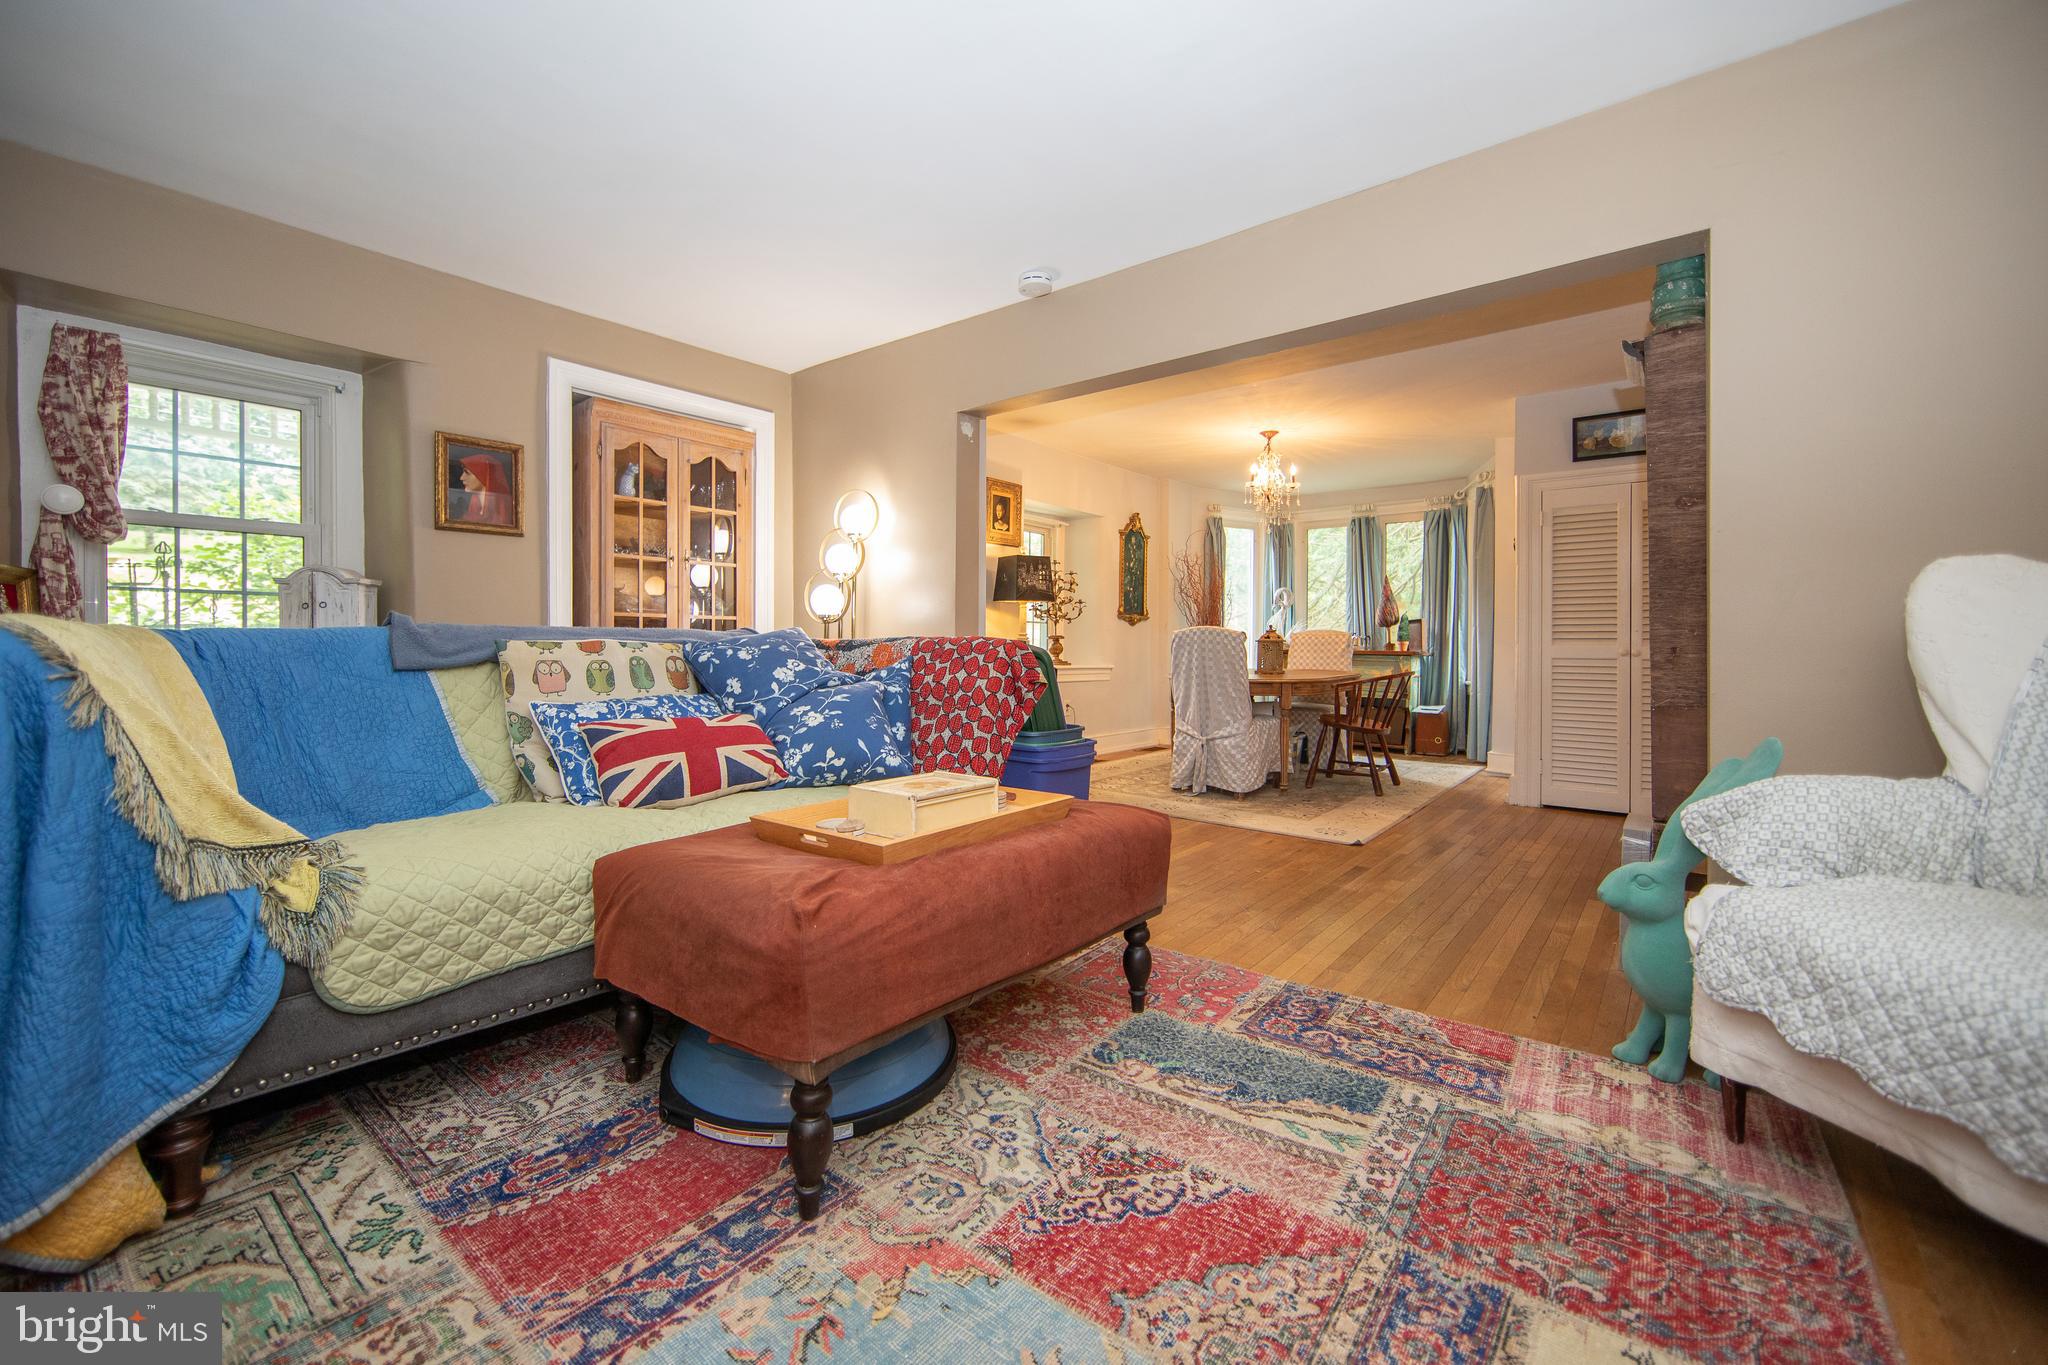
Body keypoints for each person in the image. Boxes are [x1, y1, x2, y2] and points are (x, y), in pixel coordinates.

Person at [453, 454, 515, 527]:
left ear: (483, 475)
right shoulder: (474, 505)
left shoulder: (502, 506)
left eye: (467, 473)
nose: (461, 478)